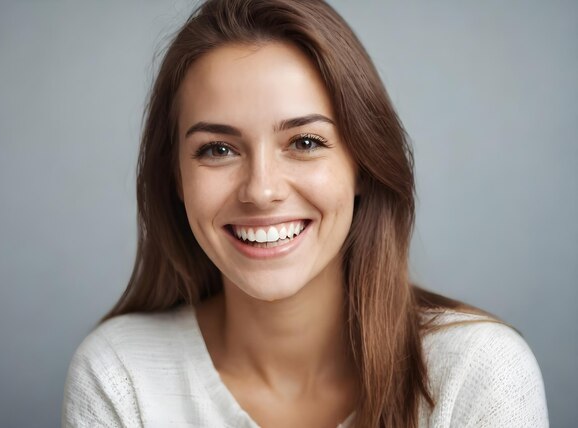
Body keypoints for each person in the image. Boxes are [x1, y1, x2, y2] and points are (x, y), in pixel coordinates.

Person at [61, 0, 548, 427]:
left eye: (305, 142)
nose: (262, 189)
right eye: (217, 149)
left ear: (362, 165)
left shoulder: (479, 373)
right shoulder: (120, 374)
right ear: (176, 181)